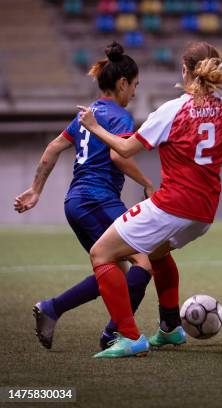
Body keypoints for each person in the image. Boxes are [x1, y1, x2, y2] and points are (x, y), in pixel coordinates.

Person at [77, 41, 222, 358]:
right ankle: (170, 329)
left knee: (101, 253)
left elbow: (124, 151)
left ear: (185, 70)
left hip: (171, 205)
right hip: (203, 214)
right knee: (155, 253)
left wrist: (94, 126)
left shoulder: (171, 110)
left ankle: (129, 337)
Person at [14, 42, 155, 351]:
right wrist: (148, 183)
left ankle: (52, 309)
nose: (133, 93)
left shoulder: (86, 115)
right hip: (99, 199)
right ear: (122, 84)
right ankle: (116, 333)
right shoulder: (119, 117)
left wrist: (36, 190)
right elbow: (120, 157)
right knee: (143, 263)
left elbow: (53, 148)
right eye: (134, 86)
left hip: (75, 202)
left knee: (113, 271)